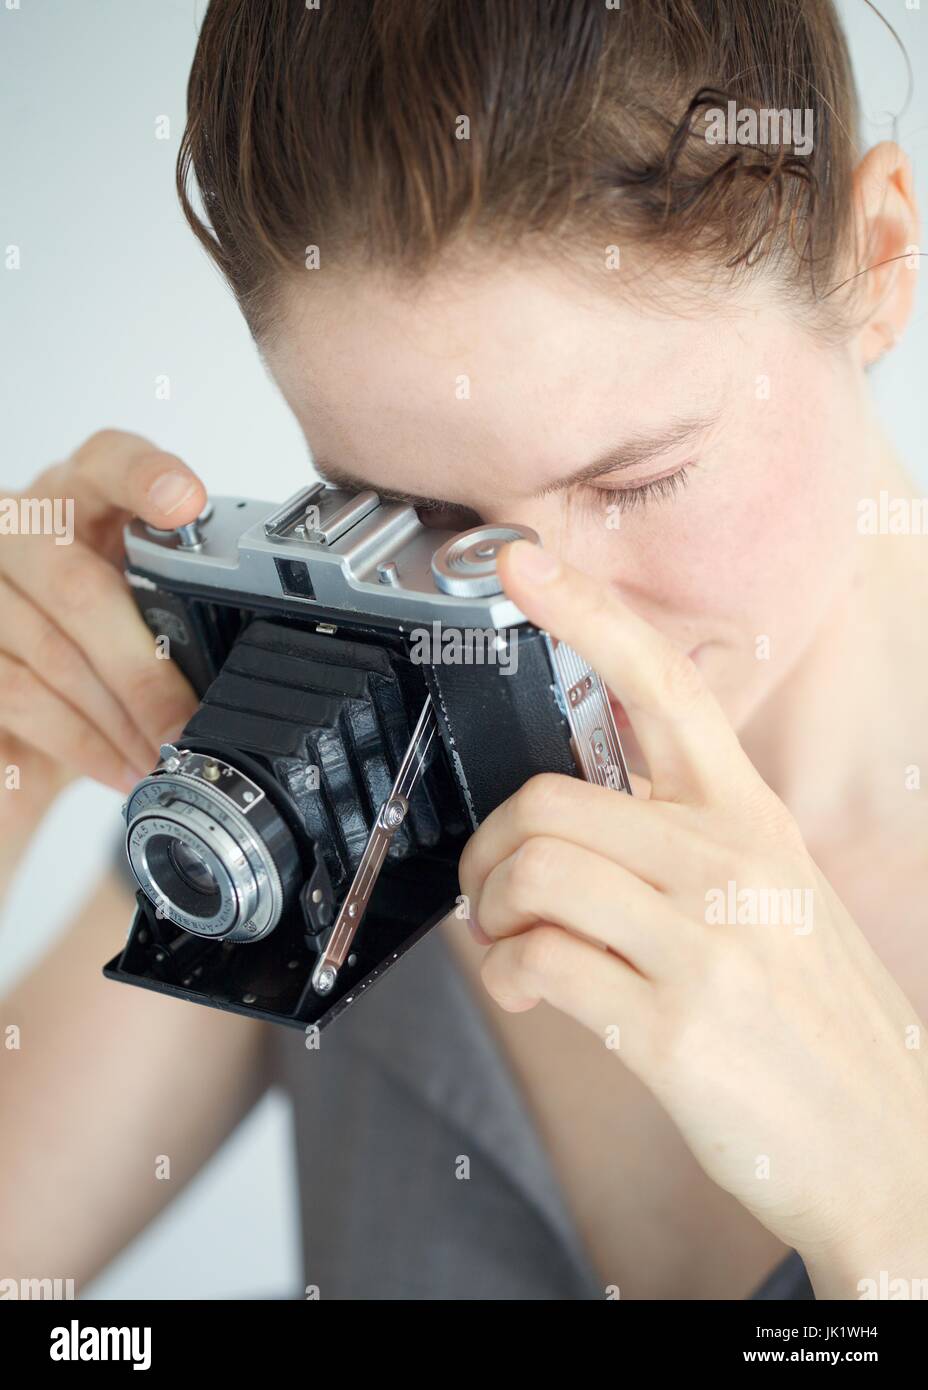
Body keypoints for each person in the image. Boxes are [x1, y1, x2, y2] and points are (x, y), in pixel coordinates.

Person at [1, 0, 926, 1301]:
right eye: (426, 525)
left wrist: (899, 1219)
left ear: (878, 260)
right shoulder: (320, 785)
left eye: (639, 479)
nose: (536, 625)